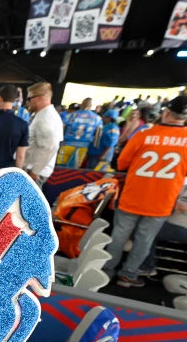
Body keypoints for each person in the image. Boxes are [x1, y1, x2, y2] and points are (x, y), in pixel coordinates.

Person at [104, 95, 187, 287]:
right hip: (162, 201)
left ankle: (106, 272)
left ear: (166, 112)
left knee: (119, 236)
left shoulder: (144, 134)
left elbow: (122, 163)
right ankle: (128, 276)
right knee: (145, 240)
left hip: (133, 196)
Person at [139, 183, 187, 278]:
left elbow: (180, 205)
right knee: (145, 225)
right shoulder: (183, 185)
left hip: (182, 228)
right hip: (168, 222)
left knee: (148, 230)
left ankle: (147, 266)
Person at [23, 81, 63, 185]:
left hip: (34, 171)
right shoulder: (43, 115)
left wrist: (35, 172)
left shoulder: (46, 118)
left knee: (28, 201)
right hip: (34, 169)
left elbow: (50, 147)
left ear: (40, 97)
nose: (27, 102)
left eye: (29, 98)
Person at [62, 98, 102, 168]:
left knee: (61, 166)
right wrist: (94, 147)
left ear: (81, 105)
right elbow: (98, 135)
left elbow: (62, 128)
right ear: (91, 106)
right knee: (75, 167)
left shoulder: (70, 115)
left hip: (67, 145)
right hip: (83, 146)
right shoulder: (97, 118)